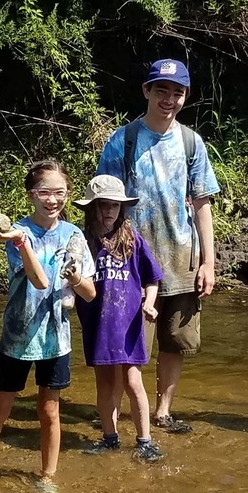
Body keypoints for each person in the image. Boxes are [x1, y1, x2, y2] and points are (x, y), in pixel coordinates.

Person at [96, 58, 220, 435]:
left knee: (176, 340)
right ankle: (114, 420)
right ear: (147, 91)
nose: (169, 99)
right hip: (129, 259)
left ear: (185, 97)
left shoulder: (191, 141)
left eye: (177, 92)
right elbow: (106, 201)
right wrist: (104, 253)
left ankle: (162, 412)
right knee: (127, 344)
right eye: (161, 90)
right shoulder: (124, 139)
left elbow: (202, 203)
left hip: (182, 255)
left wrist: (209, 263)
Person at [0, 159, 98, 490]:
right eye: (44, 192)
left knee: (49, 410)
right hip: (17, 336)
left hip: (56, 339)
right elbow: (39, 281)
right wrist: (20, 241)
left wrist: (76, 276)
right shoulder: (17, 232)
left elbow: (89, 293)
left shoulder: (75, 236)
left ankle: (47, 476)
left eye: (59, 193)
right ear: (31, 194)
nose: (52, 200)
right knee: (0, 406)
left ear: (68, 195)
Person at [74, 176, 164, 461]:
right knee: (104, 384)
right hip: (97, 324)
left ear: (121, 208)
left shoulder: (133, 239)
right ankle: (109, 438)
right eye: (103, 206)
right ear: (92, 209)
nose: (108, 212)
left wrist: (149, 304)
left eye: (114, 206)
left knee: (132, 381)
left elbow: (152, 279)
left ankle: (145, 441)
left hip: (129, 324)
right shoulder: (82, 241)